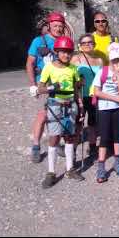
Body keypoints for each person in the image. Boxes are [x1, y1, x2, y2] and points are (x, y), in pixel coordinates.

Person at [37, 36, 85, 188]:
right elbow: (40, 88)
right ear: (57, 52)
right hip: (55, 105)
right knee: (54, 137)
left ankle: (69, 169)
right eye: (63, 52)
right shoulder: (49, 68)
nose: (67, 55)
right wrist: (52, 88)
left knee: (70, 137)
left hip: (71, 104)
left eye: (69, 52)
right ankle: (51, 172)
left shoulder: (73, 68)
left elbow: (76, 88)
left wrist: (80, 105)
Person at [26, 11, 66, 163]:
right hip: (43, 84)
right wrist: (32, 85)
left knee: (61, 114)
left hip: (61, 84)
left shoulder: (64, 41)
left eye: (60, 26)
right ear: (49, 25)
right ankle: (36, 146)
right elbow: (30, 63)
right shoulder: (38, 41)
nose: (58, 28)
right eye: (55, 25)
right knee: (43, 115)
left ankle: (57, 142)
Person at [92, 44, 119, 183]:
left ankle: (117, 161)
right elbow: (97, 92)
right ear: (109, 59)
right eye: (114, 60)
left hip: (117, 109)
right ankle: (101, 166)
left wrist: (118, 74)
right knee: (104, 137)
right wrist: (115, 98)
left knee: (117, 136)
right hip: (104, 108)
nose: (116, 63)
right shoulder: (102, 72)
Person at [70, 34, 103, 157]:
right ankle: (72, 149)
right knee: (79, 123)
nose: (88, 45)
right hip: (81, 96)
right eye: (84, 43)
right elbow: (71, 77)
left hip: (94, 96)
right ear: (80, 45)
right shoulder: (75, 59)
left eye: (90, 42)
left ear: (94, 44)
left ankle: (92, 146)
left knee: (93, 123)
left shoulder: (99, 60)